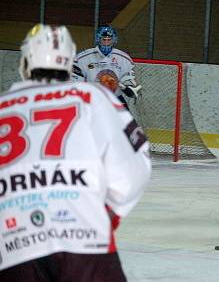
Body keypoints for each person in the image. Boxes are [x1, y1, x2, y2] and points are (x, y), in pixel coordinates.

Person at [0, 24, 151, 281]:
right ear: (69, 60)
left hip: (14, 243)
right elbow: (135, 167)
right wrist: (110, 215)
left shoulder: (3, 106)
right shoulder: (94, 97)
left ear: (24, 64)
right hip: (83, 235)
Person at [72, 24, 142, 109]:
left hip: (115, 98)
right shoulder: (82, 58)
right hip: (92, 99)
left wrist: (129, 88)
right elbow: (75, 80)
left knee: (127, 122)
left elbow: (129, 79)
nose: (106, 43)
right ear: (98, 39)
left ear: (114, 40)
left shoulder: (124, 58)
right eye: (103, 40)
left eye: (109, 40)